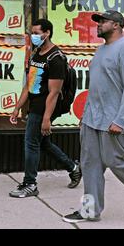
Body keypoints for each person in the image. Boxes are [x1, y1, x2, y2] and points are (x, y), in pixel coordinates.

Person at [63, 10, 124, 223]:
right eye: (98, 21)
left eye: (103, 21)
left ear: (116, 25)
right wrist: (85, 115)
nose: (98, 24)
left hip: (114, 120)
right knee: (90, 165)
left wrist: (121, 119)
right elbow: (96, 86)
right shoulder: (100, 50)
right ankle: (90, 211)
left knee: (116, 161)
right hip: (92, 119)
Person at [9, 19, 82, 198]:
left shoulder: (56, 58)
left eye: (36, 32)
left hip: (45, 106)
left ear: (47, 33)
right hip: (34, 104)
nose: (33, 36)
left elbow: (54, 92)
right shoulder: (36, 54)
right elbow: (29, 84)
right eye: (31, 33)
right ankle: (73, 168)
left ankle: (30, 183)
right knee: (42, 143)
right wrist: (17, 107)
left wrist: (47, 118)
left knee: (31, 142)